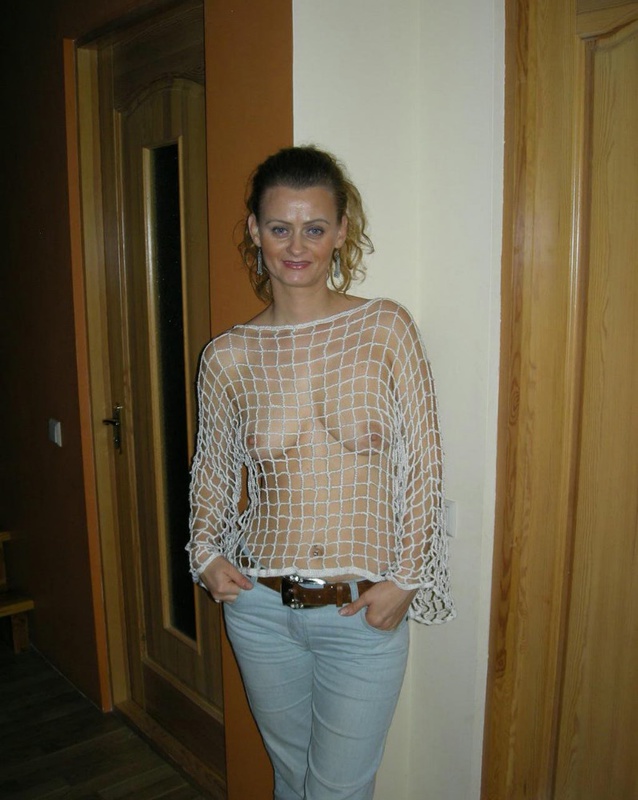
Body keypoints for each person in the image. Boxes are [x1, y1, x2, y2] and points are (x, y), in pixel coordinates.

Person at [187, 145, 455, 800]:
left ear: (341, 231)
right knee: (291, 778)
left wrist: (407, 579)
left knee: (338, 789)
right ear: (256, 231)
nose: (296, 246)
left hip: (359, 610)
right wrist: (205, 554)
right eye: (280, 227)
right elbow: (212, 471)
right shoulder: (228, 356)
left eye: (314, 227)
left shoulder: (385, 328)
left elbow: (424, 463)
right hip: (258, 608)